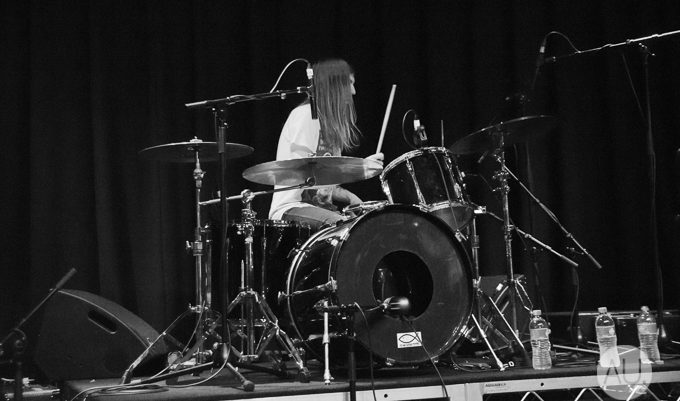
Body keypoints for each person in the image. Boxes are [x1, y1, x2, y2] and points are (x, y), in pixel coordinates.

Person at [268, 59, 384, 231]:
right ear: (335, 86)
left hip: (319, 209)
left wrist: (350, 198)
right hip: (291, 207)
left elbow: (325, 186)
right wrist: (358, 168)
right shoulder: (305, 116)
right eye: (349, 83)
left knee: (369, 226)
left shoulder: (329, 127)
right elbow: (303, 176)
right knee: (349, 229)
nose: (353, 91)